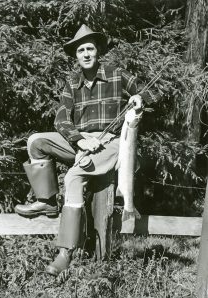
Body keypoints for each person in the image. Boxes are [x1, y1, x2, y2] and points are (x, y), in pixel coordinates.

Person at [15, 24, 155, 276]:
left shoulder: (116, 74)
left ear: (98, 51)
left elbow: (150, 92)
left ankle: (64, 253)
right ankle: (46, 201)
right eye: (81, 50)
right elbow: (61, 119)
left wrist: (139, 98)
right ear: (76, 55)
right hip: (81, 141)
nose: (86, 54)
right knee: (36, 141)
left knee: (72, 177)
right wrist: (80, 141)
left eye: (90, 48)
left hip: (111, 143)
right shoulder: (72, 83)